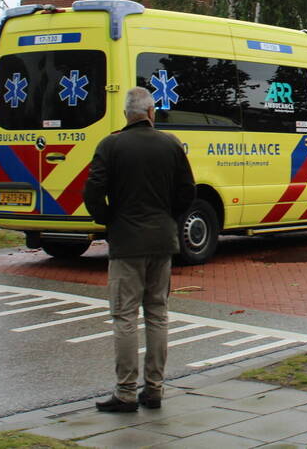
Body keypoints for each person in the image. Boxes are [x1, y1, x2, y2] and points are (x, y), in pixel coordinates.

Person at [83, 87, 196, 413]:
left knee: (125, 316)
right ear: (151, 113)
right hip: (162, 241)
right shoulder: (171, 145)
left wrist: (110, 221)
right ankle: (155, 389)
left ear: (125, 115)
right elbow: (187, 191)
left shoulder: (111, 145)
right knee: (158, 313)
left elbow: (92, 192)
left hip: (126, 243)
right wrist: (167, 219)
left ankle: (126, 392)